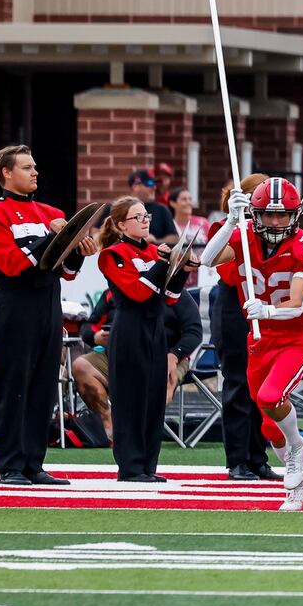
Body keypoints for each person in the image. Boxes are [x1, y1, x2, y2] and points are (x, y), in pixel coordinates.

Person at [202, 176, 303, 511]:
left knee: (271, 396)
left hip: (294, 339)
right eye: (269, 215)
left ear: (296, 215)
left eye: (283, 215)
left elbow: (300, 304)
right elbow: (207, 259)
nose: (276, 222)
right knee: (267, 426)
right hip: (259, 341)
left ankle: (297, 447)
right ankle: (300, 485)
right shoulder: (244, 237)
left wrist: (269, 309)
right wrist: (232, 220)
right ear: (256, 215)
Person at [0, 145, 95, 486]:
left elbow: (65, 271)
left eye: (35, 166)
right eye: (27, 167)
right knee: (14, 386)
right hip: (14, 307)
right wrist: (52, 237)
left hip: (48, 305)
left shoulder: (51, 211)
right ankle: (10, 466)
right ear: (6, 174)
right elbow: (12, 264)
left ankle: (34, 464)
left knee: (44, 387)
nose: (35, 172)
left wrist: (78, 252)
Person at [94, 196, 190, 482]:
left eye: (146, 215)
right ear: (122, 224)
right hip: (129, 328)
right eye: (138, 217)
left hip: (155, 327)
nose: (146, 220)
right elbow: (137, 292)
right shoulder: (112, 254)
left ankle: (149, 465)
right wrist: (162, 263)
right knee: (130, 398)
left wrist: (181, 269)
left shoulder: (153, 250)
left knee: (152, 397)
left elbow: (170, 298)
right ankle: (131, 466)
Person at [73, 273, 203, 439]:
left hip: (166, 357)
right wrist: (95, 337)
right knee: (80, 366)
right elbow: (88, 327)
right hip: (118, 356)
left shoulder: (175, 292)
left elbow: (194, 332)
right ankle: (109, 425)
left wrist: (174, 355)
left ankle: (143, 432)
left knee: (166, 378)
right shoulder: (114, 292)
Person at [207, 177, 274, 482]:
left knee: (262, 386)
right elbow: (223, 269)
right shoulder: (226, 229)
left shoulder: (267, 231)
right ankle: (237, 459)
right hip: (234, 306)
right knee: (237, 381)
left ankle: (258, 458)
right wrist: (236, 223)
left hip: (261, 306)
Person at [127, 169, 174, 244]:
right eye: (149, 183)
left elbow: (174, 238)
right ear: (135, 186)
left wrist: (154, 242)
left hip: (154, 254)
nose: (154, 188)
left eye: (154, 183)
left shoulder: (161, 210)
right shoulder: (118, 209)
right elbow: (103, 235)